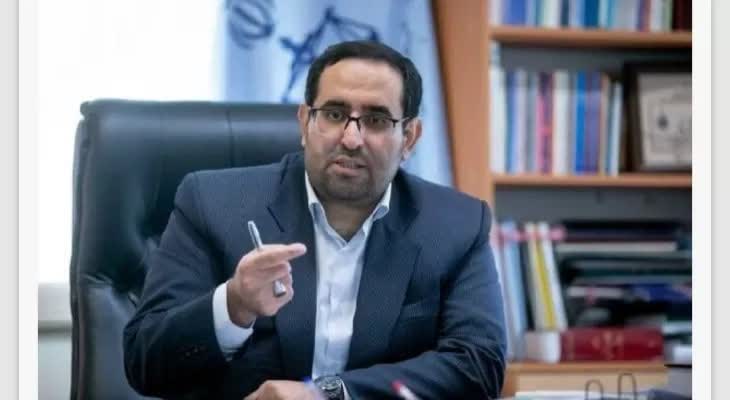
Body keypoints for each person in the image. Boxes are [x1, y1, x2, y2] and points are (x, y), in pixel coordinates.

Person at [123, 40, 506, 400]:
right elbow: (145, 361)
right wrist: (234, 305)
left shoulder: (455, 225)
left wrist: (328, 392)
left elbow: (478, 364)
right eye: (335, 115)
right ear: (305, 122)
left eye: (375, 119)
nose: (351, 139)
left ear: (409, 137)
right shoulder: (214, 204)